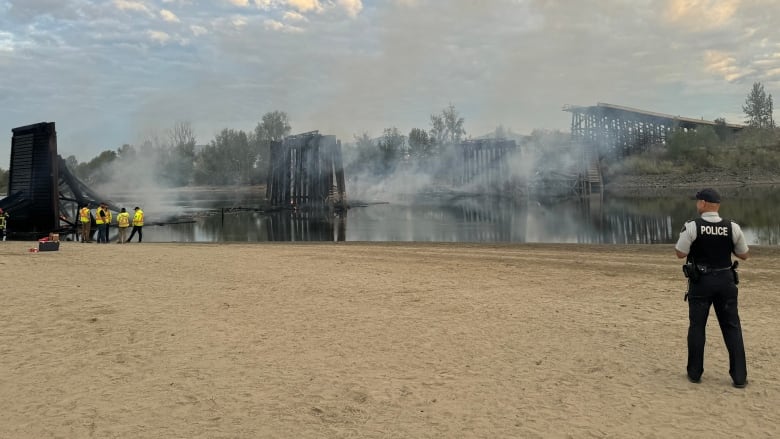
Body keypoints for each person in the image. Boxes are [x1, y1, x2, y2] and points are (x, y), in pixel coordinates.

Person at [675, 188, 750, 388]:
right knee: (732, 328)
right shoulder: (732, 226)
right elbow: (743, 254)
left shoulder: (692, 226)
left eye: (697, 201)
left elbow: (680, 253)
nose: (696, 204)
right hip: (726, 281)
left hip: (701, 282)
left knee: (697, 327)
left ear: (703, 203)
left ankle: (694, 373)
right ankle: (739, 377)